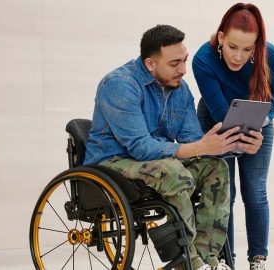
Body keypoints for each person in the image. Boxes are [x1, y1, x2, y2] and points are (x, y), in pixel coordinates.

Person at [84, 24, 243, 270]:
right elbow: (140, 148)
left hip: (156, 163)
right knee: (173, 172)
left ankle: (206, 258)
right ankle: (190, 261)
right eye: (174, 63)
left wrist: (225, 144)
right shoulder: (119, 85)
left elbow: (192, 139)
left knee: (216, 167)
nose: (183, 69)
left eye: (184, 60)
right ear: (150, 64)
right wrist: (198, 148)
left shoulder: (181, 88)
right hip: (113, 162)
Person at [192, 3, 274, 270]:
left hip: (258, 122)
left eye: (247, 49)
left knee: (255, 191)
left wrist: (263, 123)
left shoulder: (271, 55)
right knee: (224, 192)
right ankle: (224, 259)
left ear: (257, 44)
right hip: (215, 119)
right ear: (221, 37)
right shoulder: (203, 59)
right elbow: (221, 112)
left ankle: (258, 260)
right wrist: (241, 143)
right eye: (232, 47)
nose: (238, 57)